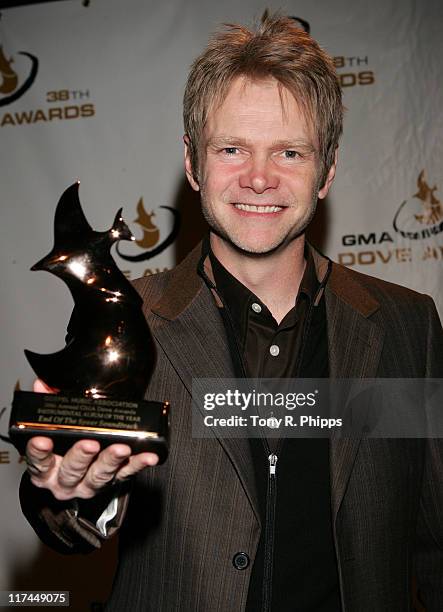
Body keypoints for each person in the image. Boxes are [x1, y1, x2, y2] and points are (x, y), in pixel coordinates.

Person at [20, 14, 442, 612]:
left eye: (290, 151)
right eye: (232, 148)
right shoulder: (127, 318)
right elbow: (67, 506)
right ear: (193, 162)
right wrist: (69, 497)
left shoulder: (406, 325)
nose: (260, 178)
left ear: (328, 171)